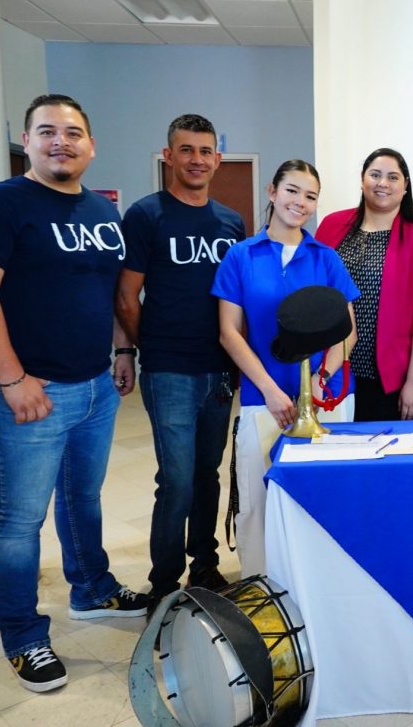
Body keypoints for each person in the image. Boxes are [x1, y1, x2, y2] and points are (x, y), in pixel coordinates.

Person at [0, 94, 149, 693]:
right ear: (28, 141)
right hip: (28, 393)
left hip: (94, 387)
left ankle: (91, 589)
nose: (61, 141)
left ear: (91, 144)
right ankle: (22, 636)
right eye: (47, 131)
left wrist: (122, 352)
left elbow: (109, 292)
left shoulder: (103, 211)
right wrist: (12, 379)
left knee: (82, 499)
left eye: (73, 132)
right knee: (18, 521)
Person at [116, 114, 245, 603]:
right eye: (186, 150)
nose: (196, 159)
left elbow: (237, 297)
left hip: (220, 369)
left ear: (218, 159)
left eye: (205, 151)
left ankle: (205, 567)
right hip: (169, 369)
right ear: (169, 156)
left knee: (207, 475)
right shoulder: (146, 215)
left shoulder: (231, 222)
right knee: (175, 481)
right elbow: (126, 296)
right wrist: (143, 347)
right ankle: (165, 584)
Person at [212, 159, 358, 578]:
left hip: (327, 399)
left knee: (323, 498)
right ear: (272, 192)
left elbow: (348, 332)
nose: (300, 202)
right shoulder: (241, 256)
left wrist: (320, 380)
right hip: (264, 397)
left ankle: (320, 584)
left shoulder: (326, 258)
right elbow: (229, 333)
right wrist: (271, 391)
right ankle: (260, 585)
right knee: (257, 501)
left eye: (310, 196)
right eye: (292, 190)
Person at [316, 148, 413, 421]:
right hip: (331, 368)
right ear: (362, 180)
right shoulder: (332, 225)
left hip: (386, 376)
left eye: (393, 177)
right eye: (375, 175)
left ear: (405, 186)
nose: (383, 183)